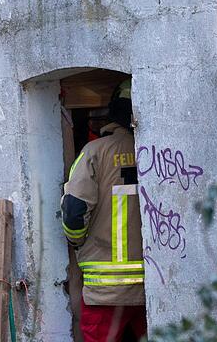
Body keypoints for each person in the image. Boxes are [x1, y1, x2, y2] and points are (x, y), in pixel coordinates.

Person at [61, 79, 147, 342]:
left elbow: (74, 210)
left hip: (104, 293)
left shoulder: (94, 153)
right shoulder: (154, 151)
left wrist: (77, 242)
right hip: (151, 290)